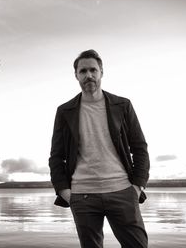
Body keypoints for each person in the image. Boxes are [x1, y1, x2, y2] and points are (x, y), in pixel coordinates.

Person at [48, 49, 150, 248]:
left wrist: (138, 186)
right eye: (83, 71)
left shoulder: (123, 105)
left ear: (101, 72)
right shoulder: (65, 111)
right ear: (76, 75)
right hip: (82, 195)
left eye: (93, 70)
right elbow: (56, 156)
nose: (89, 75)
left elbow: (139, 147)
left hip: (122, 190)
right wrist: (64, 191)